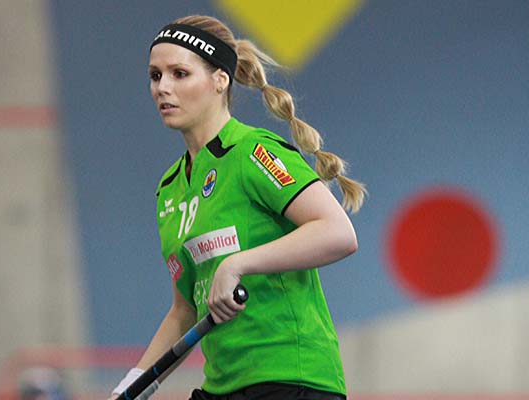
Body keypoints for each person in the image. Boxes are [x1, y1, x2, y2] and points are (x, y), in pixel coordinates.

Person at [110, 15, 366, 400]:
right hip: (223, 385)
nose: (163, 87)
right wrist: (128, 389)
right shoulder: (169, 189)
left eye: (179, 73)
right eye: (155, 75)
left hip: (289, 379)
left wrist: (237, 263)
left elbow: (338, 233)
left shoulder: (252, 151)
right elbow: (184, 310)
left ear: (220, 80)